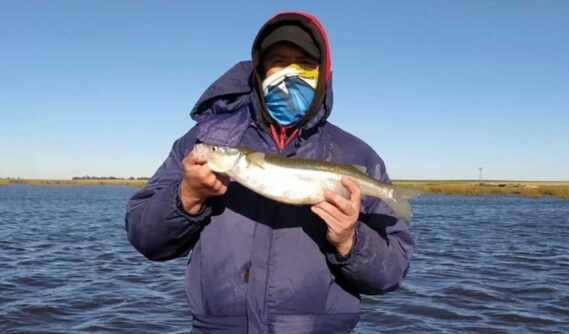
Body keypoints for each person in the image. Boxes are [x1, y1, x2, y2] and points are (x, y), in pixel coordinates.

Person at [126, 11, 414, 334]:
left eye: (303, 62)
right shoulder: (203, 140)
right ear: (259, 71)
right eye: (278, 60)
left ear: (322, 74)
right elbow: (143, 236)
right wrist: (187, 197)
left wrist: (350, 241)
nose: (289, 72)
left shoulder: (357, 154)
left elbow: (393, 269)